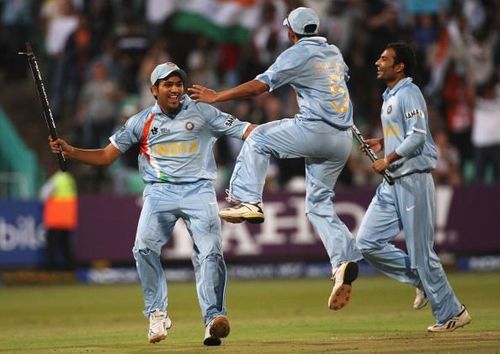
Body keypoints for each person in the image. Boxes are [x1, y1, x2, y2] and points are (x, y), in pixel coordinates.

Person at [49, 62, 256, 345]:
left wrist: (281, 135)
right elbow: (106, 156)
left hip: (200, 191)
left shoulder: (204, 112)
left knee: (211, 253)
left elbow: (246, 131)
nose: (175, 89)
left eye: (178, 84)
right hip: (159, 193)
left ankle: (213, 320)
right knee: (143, 248)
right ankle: (157, 313)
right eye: (167, 84)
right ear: (153, 90)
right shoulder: (141, 121)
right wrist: (71, 151)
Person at [189, 7, 362, 311]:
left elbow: (260, 86)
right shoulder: (333, 52)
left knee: (258, 137)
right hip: (342, 139)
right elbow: (340, 91)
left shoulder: (296, 53)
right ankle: (342, 262)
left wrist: (217, 97)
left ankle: (247, 200)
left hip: (317, 130)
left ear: (291, 32)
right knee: (318, 204)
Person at [355, 42, 471, 332]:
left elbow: (418, 137)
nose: (378, 62)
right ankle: (421, 281)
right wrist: (383, 142)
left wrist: (388, 158)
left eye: (384, 59)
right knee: (366, 242)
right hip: (391, 182)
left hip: (413, 179)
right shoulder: (390, 95)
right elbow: (403, 133)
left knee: (421, 254)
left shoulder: (410, 93)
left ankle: (452, 313)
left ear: (400, 66)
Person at [39, 165, 78, 271]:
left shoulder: (56, 180)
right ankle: (70, 269)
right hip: (67, 219)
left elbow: (43, 195)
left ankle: (51, 269)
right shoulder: (70, 180)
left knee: (52, 246)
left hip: (55, 219)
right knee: (66, 246)